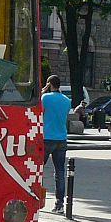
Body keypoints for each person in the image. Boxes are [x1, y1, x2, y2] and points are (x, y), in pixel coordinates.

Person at [41, 75, 72, 212]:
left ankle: (35, 199)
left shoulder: (45, 98)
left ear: (49, 84)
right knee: (60, 171)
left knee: (38, 169)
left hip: (47, 137)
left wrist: (42, 92)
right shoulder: (67, 100)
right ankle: (59, 203)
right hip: (61, 138)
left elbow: (38, 111)